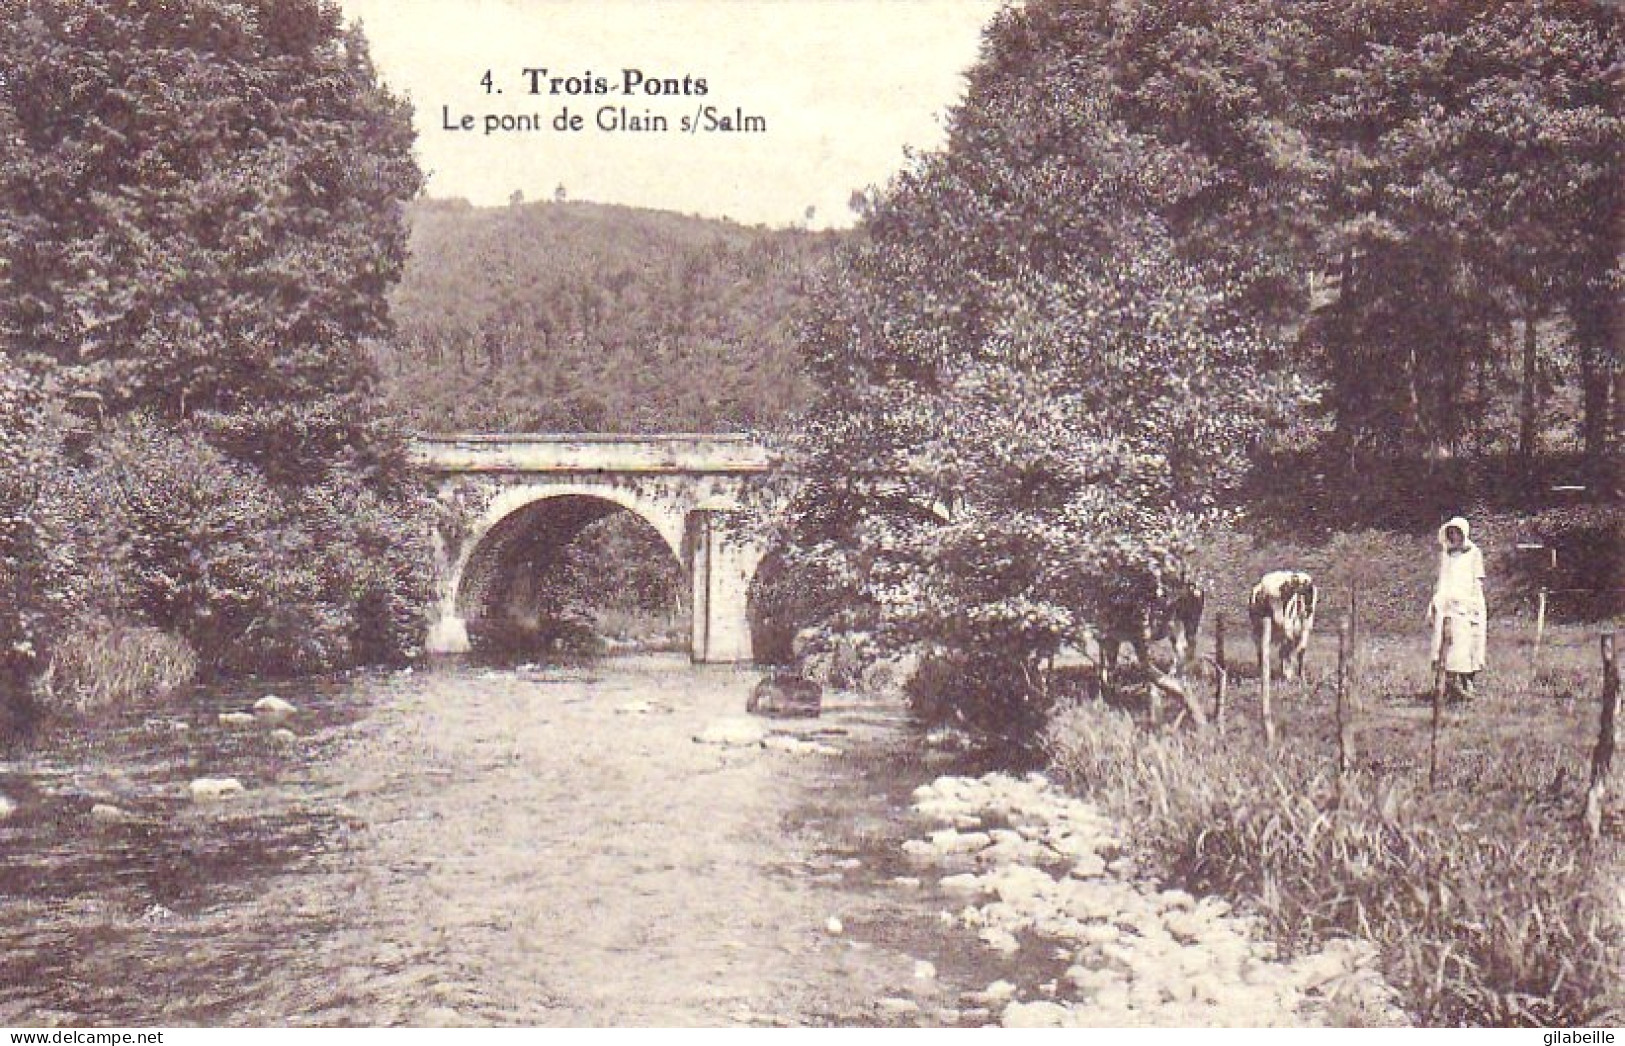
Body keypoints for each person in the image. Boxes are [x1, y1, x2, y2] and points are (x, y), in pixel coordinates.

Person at [1428, 516, 1487, 699]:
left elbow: (1476, 580)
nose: (1454, 536)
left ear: (1464, 533)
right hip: (1448, 603)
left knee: (1469, 643)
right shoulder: (1446, 554)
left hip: (1468, 602)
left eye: (1457, 532)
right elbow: (1443, 580)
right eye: (1451, 533)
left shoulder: (1474, 553)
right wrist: (1437, 600)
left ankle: (1467, 681)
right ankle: (1447, 683)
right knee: (1446, 642)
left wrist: (1473, 603)